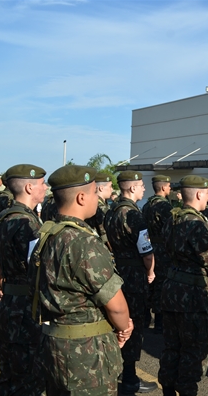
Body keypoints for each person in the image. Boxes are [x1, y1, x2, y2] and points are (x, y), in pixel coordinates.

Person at [29, 165, 134, 395]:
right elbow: (116, 306)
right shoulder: (83, 241)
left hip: (52, 345)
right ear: (81, 197)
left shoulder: (45, 235)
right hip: (86, 356)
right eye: (95, 192)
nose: (98, 198)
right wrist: (125, 327)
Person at [158, 175, 208, 396]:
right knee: (193, 350)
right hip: (193, 295)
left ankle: (168, 390)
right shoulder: (197, 224)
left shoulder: (172, 219)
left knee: (171, 346)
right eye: (207, 192)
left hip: (170, 289)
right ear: (199, 194)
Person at [104, 170, 158, 394]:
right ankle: (129, 378)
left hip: (116, 270)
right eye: (142, 185)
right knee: (133, 326)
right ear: (133, 188)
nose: (144, 188)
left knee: (116, 323)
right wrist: (151, 271)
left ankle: (117, 370)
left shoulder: (112, 211)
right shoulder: (134, 214)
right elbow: (146, 252)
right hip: (134, 274)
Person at [0, 164, 47, 395]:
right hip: (26, 308)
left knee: (8, 373)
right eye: (42, 183)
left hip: (8, 302)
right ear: (29, 187)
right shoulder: (28, 224)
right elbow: (38, 269)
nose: (46, 188)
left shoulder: (3, 217)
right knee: (28, 377)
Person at [141, 175, 173, 334]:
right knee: (161, 283)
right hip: (162, 248)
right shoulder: (165, 207)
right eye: (168, 186)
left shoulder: (147, 205)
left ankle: (146, 317)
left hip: (148, 245)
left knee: (149, 283)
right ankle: (159, 321)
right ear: (163, 187)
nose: (170, 189)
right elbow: (170, 228)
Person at [85, 171, 114, 248]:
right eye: (110, 186)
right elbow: (105, 234)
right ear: (101, 188)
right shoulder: (101, 207)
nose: (112, 189)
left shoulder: (92, 203)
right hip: (100, 246)